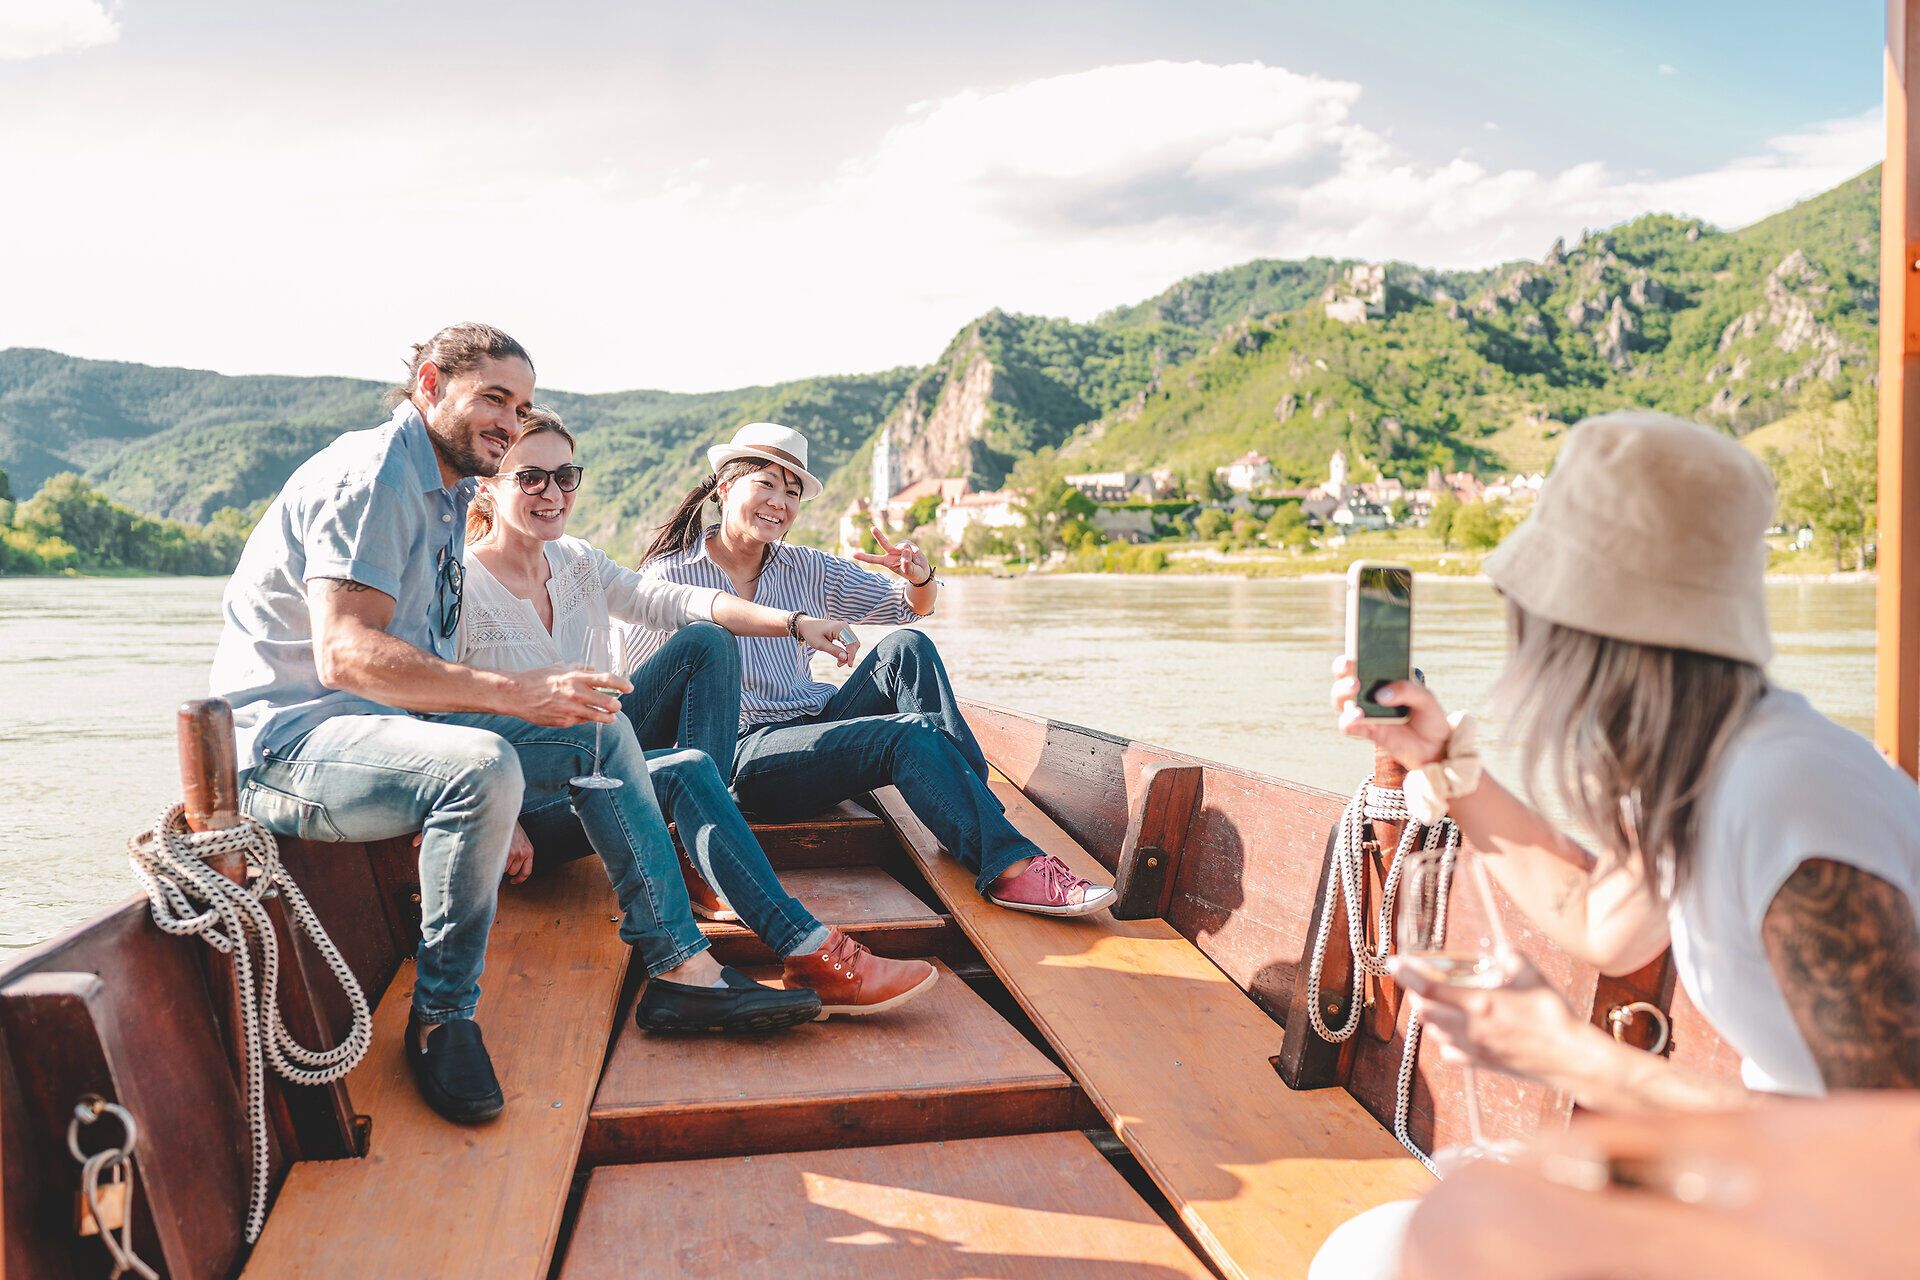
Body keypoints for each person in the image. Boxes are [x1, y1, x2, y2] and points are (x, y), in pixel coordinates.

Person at [1310, 410, 1920, 1276]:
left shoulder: (1792, 802)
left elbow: (1895, 1164)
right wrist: (1441, 759)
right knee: (1379, 1247)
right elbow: (1604, 921)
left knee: (1389, 1254)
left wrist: (1573, 1057)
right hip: (1788, 1195)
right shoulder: (1715, 757)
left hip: (1844, 1228)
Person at [209, 326, 792, 1130]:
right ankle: (443, 1016)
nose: (508, 420)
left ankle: (680, 970)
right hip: (291, 749)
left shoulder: (446, 497)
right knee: (480, 768)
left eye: (518, 405)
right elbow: (345, 656)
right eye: (492, 398)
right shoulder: (373, 477)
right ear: (428, 385)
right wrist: (514, 701)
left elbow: (423, 666)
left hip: (380, 732)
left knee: (596, 722)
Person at [459, 408, 936, 1017]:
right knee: (684, 769)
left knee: (705, 638)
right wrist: (500, 814)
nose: (552, 493)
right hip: (535, 806)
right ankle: (811, 951)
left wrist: (794, 624)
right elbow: (431, 714)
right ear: (488, 484)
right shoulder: (462, 585)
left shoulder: (577, 561)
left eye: (565, 476)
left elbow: (685, 600)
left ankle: (700, 853)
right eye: (530, 478)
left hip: (603, 762)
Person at [632, 422, 1116, 917]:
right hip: (748, 756)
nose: (780, 501)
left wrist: (919, 576)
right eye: (767, 484)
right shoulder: (669, 577)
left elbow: (911, 609)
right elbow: (644, 697)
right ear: (726, 486)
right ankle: (1009, 869)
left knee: (908, 648)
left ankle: (973, 817)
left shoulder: (806, 568)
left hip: (815, 725)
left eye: (793, 491)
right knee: (906, 735)